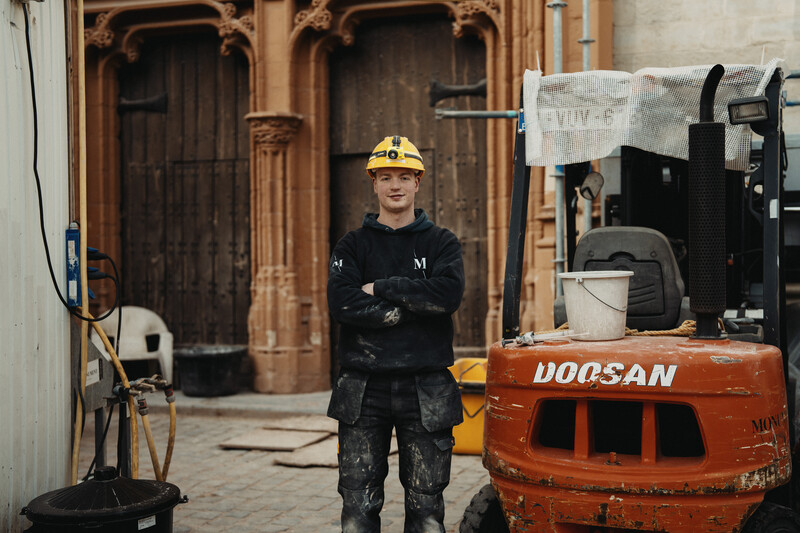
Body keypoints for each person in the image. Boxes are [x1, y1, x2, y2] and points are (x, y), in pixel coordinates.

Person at [327, 135, 466, 533]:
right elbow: (343, 306)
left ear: (418, 182)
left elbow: (447, 295)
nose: (395, 185)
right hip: (362, 389)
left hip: (426, 389)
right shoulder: (352, 246)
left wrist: (383, 287)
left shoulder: (442, 242)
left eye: (404, 176)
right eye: (385, 176)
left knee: (426, 512)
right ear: (373, 183)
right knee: (358, 509)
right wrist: (413, 307)